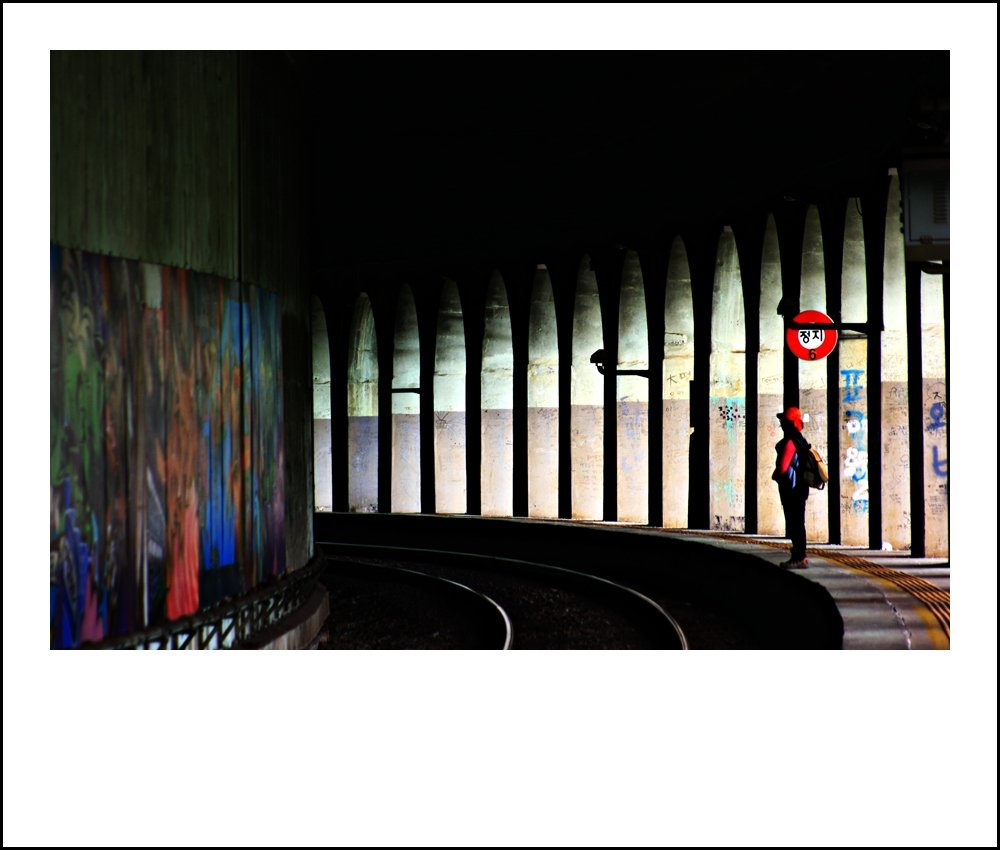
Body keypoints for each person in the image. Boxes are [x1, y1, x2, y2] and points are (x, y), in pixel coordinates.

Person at [772, 406, 811, 568]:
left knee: (795, 523)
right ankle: (801, 556)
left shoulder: (790, 442)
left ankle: (799, 557)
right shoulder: (801, 440)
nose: (781, 425)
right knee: (798, 522)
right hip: (801, 487)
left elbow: (782, 468)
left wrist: (775, 475)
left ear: (790, 423)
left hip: (792, 489)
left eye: (783, 422)